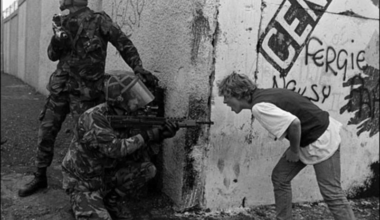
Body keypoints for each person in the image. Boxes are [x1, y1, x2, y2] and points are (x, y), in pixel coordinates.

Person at [18, 0, 158, 197]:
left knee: (87, 140)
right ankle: (40, 176)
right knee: (46, 132)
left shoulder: (99, 21)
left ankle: (90, 184)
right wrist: (57, 40)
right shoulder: (62, 23)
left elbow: (123, 43)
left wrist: (137, 67)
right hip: (61, 89)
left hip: (85, 95)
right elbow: (52, 55)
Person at [217, 72, 356, 220]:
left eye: (227, 96)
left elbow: (294, 123)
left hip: (321, 138)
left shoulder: (259, 107)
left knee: (332, 193)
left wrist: (294, 151)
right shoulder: (263, 95)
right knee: (280, 177)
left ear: (238, 94)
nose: (225, 102)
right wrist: (295, 148)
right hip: (306, 138)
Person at [61, 73, 179, 219]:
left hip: (106, 175)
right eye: (133, 95)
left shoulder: (129, 115)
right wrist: (148, 135)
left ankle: (110, 201)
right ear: (120, 99)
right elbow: (115, 150)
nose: (137, 99)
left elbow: (139, 154)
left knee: (147, 169)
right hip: (83, 182)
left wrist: (160, 137)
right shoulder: (94, 117)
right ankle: (85, 201)